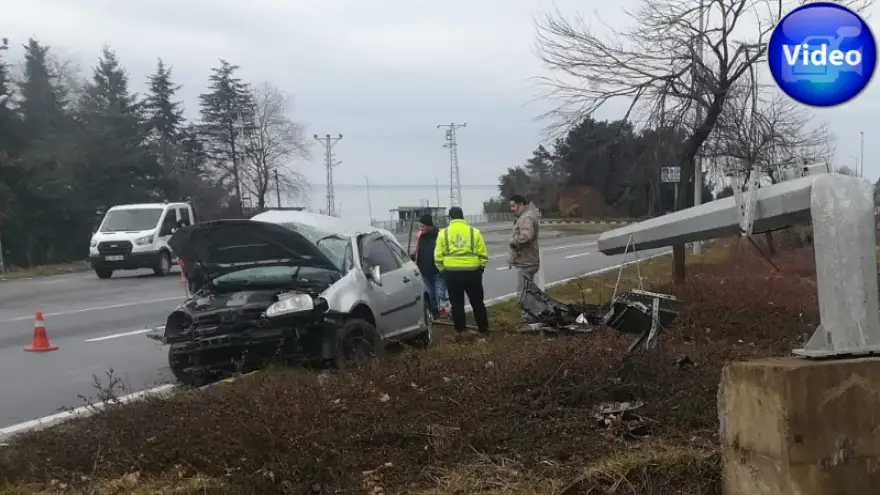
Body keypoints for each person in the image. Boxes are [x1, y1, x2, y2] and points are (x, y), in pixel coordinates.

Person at [434, 206, 489, 335]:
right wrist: (481, 267)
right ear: (463, 217)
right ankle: (483, 329)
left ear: (450, 218)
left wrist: (443, 271)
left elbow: (437, 257)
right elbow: (483, 254)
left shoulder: (443, 233)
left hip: (452, 273)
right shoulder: (474, 232)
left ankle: (461, 331)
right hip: (473, 272)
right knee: (477, 302)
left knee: (456, 304)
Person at [507, 194, 541, 321]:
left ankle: (528, 318)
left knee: (523, 292)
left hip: (526, 261)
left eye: (514, 206)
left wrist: (513, 241)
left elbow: (526, 236)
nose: (512, 209)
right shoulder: (526, 216)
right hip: (528, 259)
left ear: (521, 204)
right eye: (511, 206)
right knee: (529, 291)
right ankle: (535, 314)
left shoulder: (526, 218)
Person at [413, 214, 449, 319]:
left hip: (437, 270)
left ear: (429, 225)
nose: (420, 229)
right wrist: (413, 257)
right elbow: (419, 251)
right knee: (430, 293)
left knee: (440, 292)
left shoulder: (439, 234)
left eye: (422, 226)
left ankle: (444, 311)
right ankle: (434, 312)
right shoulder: (420, 236)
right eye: (420, 226)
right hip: (424, 270)